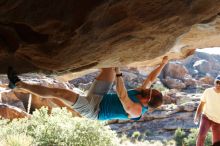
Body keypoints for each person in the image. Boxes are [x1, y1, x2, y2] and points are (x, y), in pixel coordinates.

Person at [7, 56, 168, 120]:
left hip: (94, 110)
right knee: (108, 68)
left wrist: (119, 74)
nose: (146, 88)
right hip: (102, 96)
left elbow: (122, 94)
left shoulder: (136, 111)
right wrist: (163, 64)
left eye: (149, 91)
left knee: (59, 93)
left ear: (147, 100)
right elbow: (150, 79)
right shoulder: (143, 93)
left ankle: (18, 84)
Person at [194, 75, 220, 146]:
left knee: (217, 142)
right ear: (214, 82)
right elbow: (201, 104)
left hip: (218, 121)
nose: (218, 84)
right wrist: (196, 116)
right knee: (201, 136)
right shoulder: (208, 91)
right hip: (206, 117)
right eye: (217, 82)